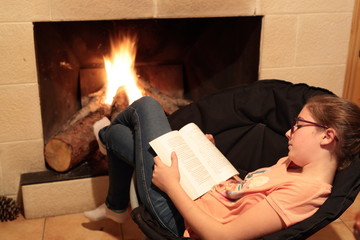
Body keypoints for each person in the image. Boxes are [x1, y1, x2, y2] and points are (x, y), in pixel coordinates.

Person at [84, 94, 360, 239]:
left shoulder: (304, 194)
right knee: (129, 138)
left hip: (182, 217)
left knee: (145, 107)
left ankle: (106, 146)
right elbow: (244, 193)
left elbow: (223, 235)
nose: (288, 133)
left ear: (327, 136)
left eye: (298, 126)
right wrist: (208, 155)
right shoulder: (295, 164)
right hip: (200, 189)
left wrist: (171, 185)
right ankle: (116, 199)